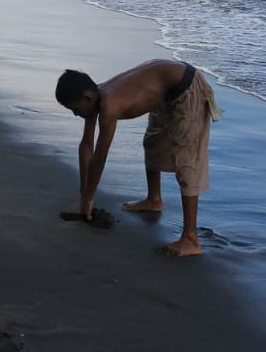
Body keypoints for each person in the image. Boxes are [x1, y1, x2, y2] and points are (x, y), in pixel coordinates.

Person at [55, 60, 223, 257]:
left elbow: (100, 154)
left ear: (87, 97)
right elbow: (86, 146)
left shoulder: (109, 104)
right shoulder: (94, 98)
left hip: (187, 89)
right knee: (153, 143)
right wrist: (84, 194)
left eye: (75, 109)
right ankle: (154, 200)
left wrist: (89, 198)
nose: (76, 114)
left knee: (186, 161)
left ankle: (190, 239)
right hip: (166, 93)